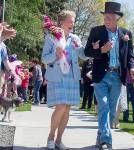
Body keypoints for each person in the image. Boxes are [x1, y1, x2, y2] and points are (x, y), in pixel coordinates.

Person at [84, 2, 134, 149]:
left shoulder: (126, 34)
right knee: (104, 106)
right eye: (105, 17)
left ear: (117, 18)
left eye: (109, 17)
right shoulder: (96, 31)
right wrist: (101, 50)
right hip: (101, 75)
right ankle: (106, 140)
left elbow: (130, 55)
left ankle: (101, 134)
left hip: (117, 76)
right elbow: (87, 51)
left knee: (112, 110)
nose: (106, 20)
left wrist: (132, 68)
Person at [42, 10, 87, 150]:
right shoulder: (51, 37)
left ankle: (59, 140)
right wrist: (56, 54)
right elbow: (44, 58)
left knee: (67, 110)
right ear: (61, 22)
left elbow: (83, 55)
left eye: (73, 21)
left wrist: (92, 48)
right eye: (70, 21)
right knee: (61, 106)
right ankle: (50, 137)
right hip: (57, 75)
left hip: (72, 77)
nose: (72, 23)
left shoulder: (74, 38)